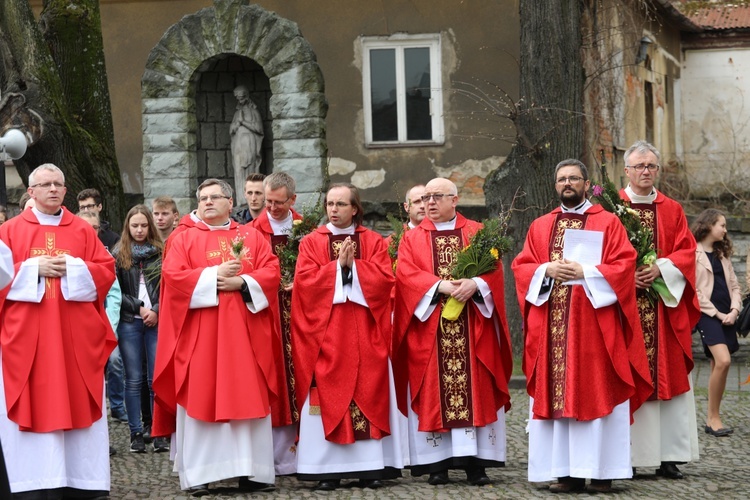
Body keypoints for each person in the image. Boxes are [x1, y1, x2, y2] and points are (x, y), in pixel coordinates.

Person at [512, 159, 652, 494]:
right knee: (558, 395)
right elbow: (522, 266)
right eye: (561, 179)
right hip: (553, 330)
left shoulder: (607, 222)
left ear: (587, 184)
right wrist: (546, 270)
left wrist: (586, 273)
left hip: (595, 330)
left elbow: (624, 264)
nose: (567, 184)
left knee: (597, 390)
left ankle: (603, 472)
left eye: (574, 178)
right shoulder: (541, 226)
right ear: (555, 185)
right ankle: (566, 473)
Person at [152, 179, 280, 496]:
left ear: (230, 201)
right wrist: (212, 277)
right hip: (201, 339)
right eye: (203, 198)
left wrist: (243, 283)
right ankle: (200, 474)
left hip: (247, 339)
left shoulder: (252, 236)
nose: (208, 202)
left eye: (215, 197)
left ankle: (254, 472)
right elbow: (173, 277)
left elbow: (272, 271)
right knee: (200, 398)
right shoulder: (183, 240)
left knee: (248, 397)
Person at [0, 164, 117, 498]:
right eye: (45, 184)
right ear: (31, 191)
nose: (52, 189)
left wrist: (74, 267)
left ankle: (80, 482)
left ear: (66, 191)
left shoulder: (82, 230)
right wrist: (33, 268)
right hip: (27, 340)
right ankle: (32, 483)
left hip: (73, 340)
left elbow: (106, 272)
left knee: (76, 400)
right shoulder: (9, 231)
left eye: (58, 184)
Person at [392, 178, 512, 487]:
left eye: (436, 197)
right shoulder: (413, 238)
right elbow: (405, 274)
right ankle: (437, 464)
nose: (429, 203)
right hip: (432, 329)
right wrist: (439, 286)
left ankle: (476, 463)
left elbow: (494, 271)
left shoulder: (476, 233)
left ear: (454, 200)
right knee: (434, 391)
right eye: (426, 197)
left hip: (473, 327)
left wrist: (477, 284)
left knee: (476, 388)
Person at [291, 183, 403, 491]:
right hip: (327, 333)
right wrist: (338, 269)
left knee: (370, 389)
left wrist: (356, 269)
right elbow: (304, 285)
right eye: (330, 204)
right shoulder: (313, 242)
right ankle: (327, 469)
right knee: (327, 392)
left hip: (367, 331)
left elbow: (385, 282)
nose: (333, 209)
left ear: (355, 208)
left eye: (341, 204)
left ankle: (370, 468)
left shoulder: (374, 242)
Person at [620, 141, 700, 479]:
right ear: (626, 170)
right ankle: (631, 455)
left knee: (669, 378)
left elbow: (687, 251)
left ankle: (669, 455)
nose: (645, 172)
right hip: (624, 313)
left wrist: (661, 268)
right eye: (639, 166)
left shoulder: (672, 209)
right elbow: (597, 255)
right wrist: (627, 276)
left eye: (651, 166)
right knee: (630, 376)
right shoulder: (609, 210)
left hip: (663, 311)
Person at [250, 172, 301, 479]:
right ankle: (274, 459)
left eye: (278, 202)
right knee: (274, 377)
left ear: (292, 200)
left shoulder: (306, 228)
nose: (270, 207)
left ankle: (308, 454)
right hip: (267, 312)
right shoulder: (252, 231)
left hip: (299, 313)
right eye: (267, 201)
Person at [113, 205, 168, 453]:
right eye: (134, 225)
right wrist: (140, 307)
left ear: (150, 226)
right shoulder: (119, 253)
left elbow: (169, 285)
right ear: (128, 227)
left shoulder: (161, 252)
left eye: (143, 225)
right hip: (130, 321)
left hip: (156, 321)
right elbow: (115, 291)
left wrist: (155, 309)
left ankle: (158, 431)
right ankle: (136, 432)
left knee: (155, 379)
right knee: (133, 379)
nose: (139, 230)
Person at [692, 209, 741, 437]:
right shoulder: (693, 253)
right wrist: (719, 314)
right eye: (722, 224)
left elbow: (735, 286)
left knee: (716, 366)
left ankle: (714, 416)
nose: (725, 229)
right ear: (709, 225)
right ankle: (713, 418)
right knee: (724, 361)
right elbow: (694, 291)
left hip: (728, 315)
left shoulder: (723, 253)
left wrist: (734, 310)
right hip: (708, 315)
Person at [79, 211, 128, 425]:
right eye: (86, 227)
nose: (91, 232)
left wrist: (107, 322)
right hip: (79, 326)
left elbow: (114, 293)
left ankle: (116, 406)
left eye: (95, 228)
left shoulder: (103, 254)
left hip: (105, 323)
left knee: (115, 361)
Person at [230, 85, 264, 199]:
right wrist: (235, 125)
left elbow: (259, 129)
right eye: (238, 98)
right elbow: (231, 130)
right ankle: (241, 199)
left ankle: (252, 198)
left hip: (250, 144)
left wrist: (243, 122)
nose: (240, 100)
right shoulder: (237, 113)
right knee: (239, 171)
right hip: (238, 145)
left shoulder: (253, 112)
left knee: (250, 170)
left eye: (242, 97)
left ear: (246, 96)